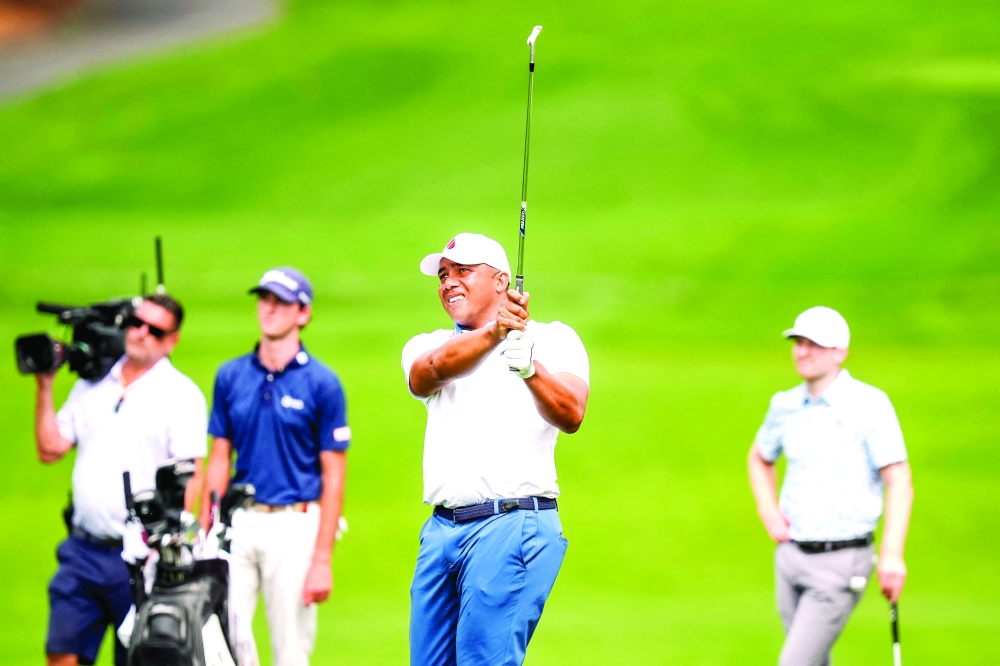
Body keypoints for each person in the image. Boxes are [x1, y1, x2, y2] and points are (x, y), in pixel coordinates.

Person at [402, 232, 591, 666]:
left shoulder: (555, 339)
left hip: (512, 522)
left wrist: (529, 368)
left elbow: (571, 413)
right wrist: (495, 335)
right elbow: (428, 371)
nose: (449, 282)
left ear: (502, 281)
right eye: (443, 275)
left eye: (463, 271)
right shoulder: (428, 342)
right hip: (441, 531)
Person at [34, 294, 207, 666]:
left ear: (172, 340)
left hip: (139, 557)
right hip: (81, 550)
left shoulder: (181, 395)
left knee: (137, 658)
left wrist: (171, 543)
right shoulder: (91, 384)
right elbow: (50, 449)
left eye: (155, 330)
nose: (142, 333)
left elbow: (191, 474)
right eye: (137, 323)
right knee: (61, 655)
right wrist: (45, 385)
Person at [747, 306, 914, 666]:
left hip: (841, 561)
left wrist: (891, 554)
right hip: (790, 556)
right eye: (798, 342)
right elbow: (760, 456)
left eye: (814, 344)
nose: (802, 351)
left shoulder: (870, 405)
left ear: (840, 352)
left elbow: (899, 480)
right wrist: (768, 509)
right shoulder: (785, 404)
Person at [201, 267, 349, 666]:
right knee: (217, 642)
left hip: (295, 525)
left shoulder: (322, 383)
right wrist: (206, 530)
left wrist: (322, 559)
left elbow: (334, 473)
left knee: (290, 653)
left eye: (280, 302)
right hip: (238, 524)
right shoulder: (231, 376)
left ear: (303, 313)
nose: (268, 308)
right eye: (264, 299)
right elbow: (219, 459)